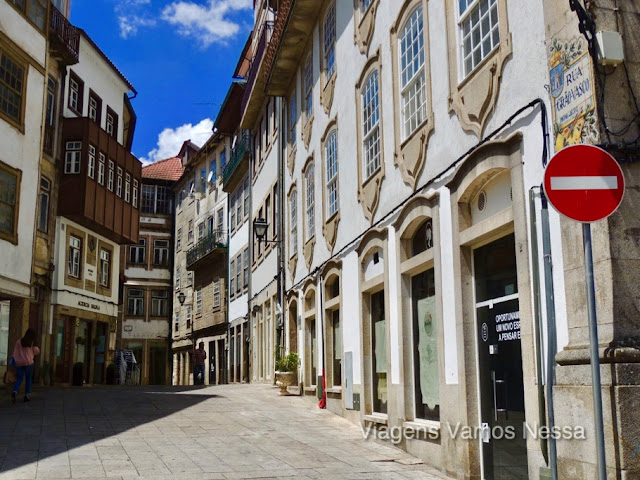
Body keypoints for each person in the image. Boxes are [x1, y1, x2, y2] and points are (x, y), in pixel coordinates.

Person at [12, 328, 40, 403]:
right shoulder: (32, 342)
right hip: (29, 363)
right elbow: (36, 351)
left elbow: (15, 352)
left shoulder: (18, 341)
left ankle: (15, 391)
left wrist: (16, 360)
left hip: (19, 363)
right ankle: (26, 395)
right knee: (28, 379)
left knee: (19, 378)